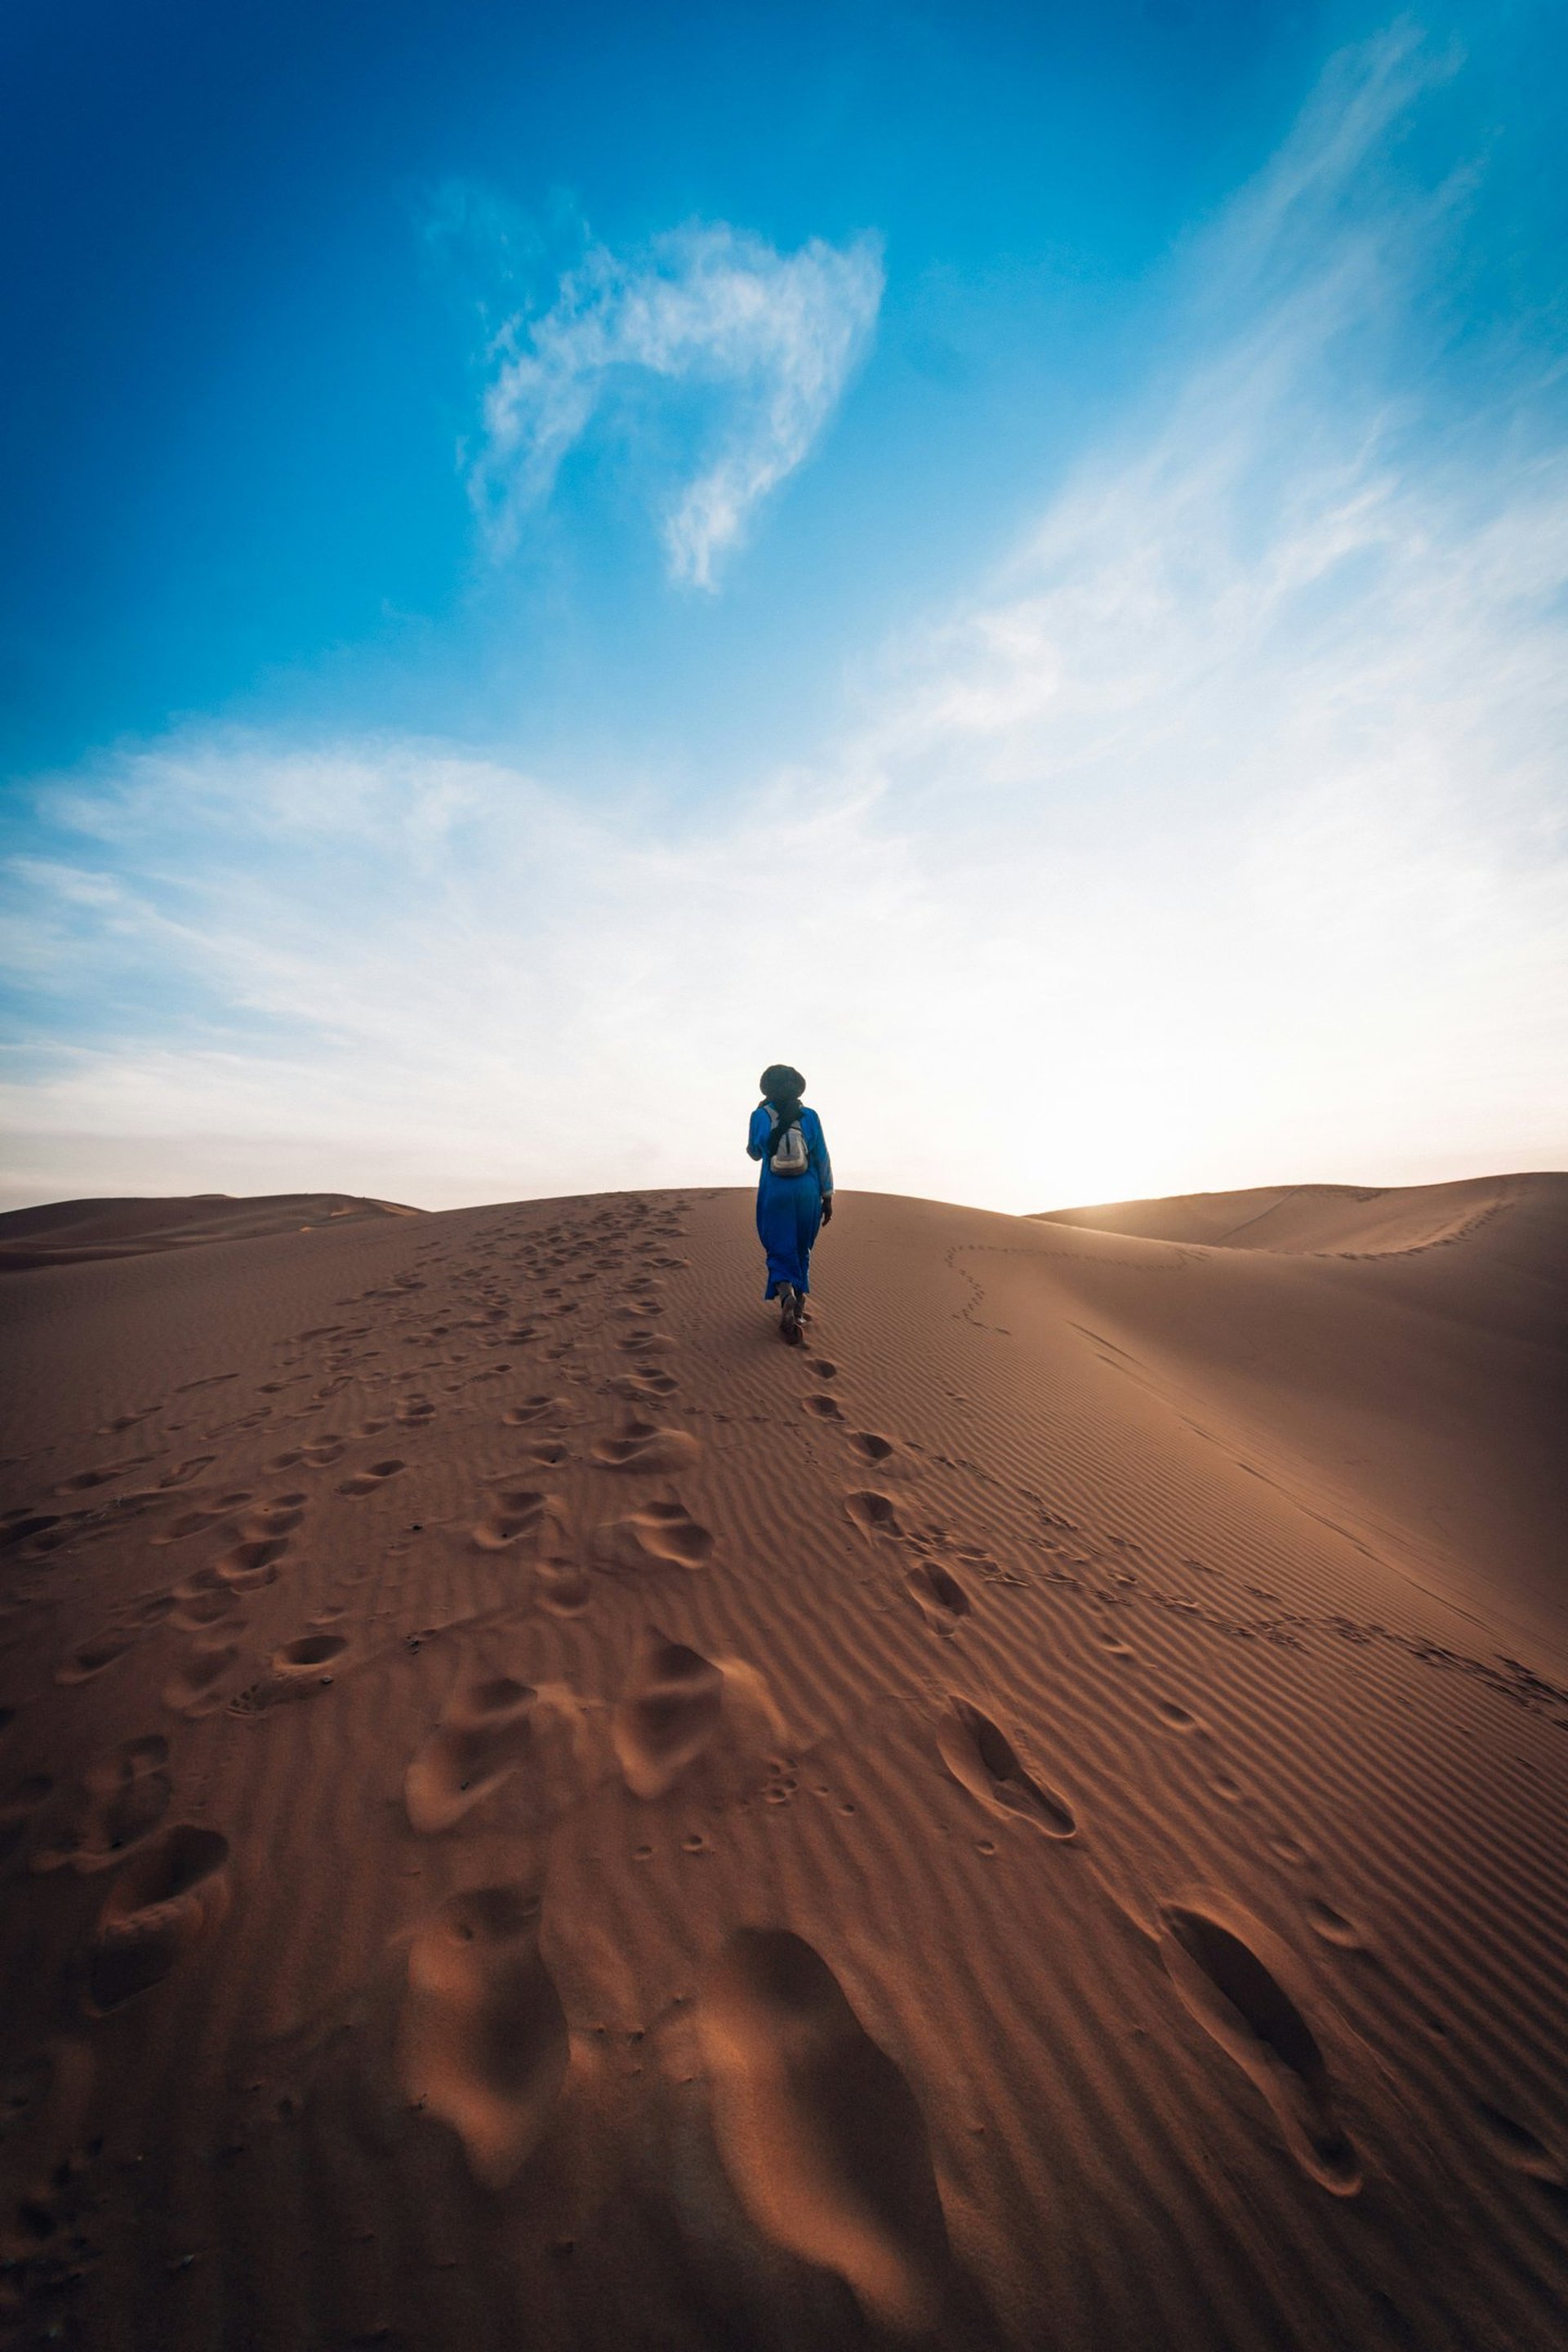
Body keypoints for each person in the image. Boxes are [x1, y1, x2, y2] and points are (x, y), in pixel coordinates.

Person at [746, 1064, 834, 1345]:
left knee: (778, 1244)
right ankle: (799, 1307)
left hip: (775, 1189)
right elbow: (821, 1155)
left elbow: (755, 1153)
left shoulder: (759, 1115)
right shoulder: (810, 1116)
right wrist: (828, 1195)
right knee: (801, 1247)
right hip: (808, 1189)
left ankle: (786, 1294)